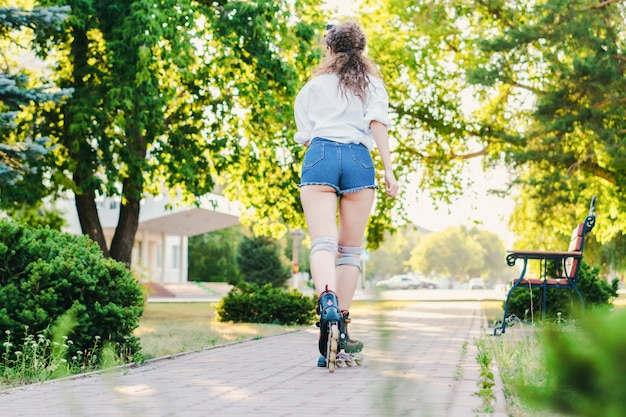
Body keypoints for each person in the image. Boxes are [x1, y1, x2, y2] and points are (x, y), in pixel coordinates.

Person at [293, 21, 399, 369]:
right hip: (358, 160)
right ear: (362, 50)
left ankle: (327, 304)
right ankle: (344, 327)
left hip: (320, 155)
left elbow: (306, 135)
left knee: (322, 243)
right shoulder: (372, 84)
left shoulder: (312, 87)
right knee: (349, 253)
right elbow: (377, 125)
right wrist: (388, 170)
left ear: (329, 50)